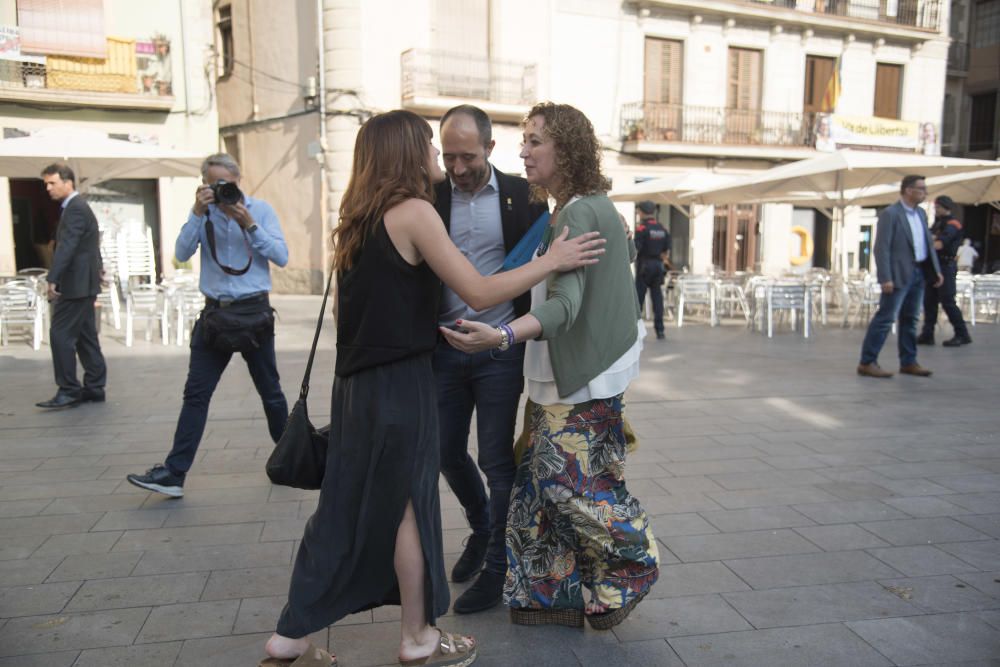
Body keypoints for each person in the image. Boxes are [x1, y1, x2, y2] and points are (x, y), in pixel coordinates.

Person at [261, 109, 604, 667]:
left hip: (354, 386)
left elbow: (353, 316)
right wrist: (553, 261)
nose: (437, 156)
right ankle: (417, 638)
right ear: (404, 152)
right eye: (427, 144)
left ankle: (290, 638)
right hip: (401, 383)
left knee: (344, 505)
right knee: (411, 508)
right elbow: (477, 286)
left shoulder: (356, 218)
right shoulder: (416, 212)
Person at [442, 102, 659, 630]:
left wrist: (500, 335)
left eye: (535, 140)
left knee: (574, 490)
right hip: (562, 377)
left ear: (566, 147)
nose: (524, 150)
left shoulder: (580, 212)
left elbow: (563, 308)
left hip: (578, 379)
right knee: (536, 493)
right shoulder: (576, 208)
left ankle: (635, 565)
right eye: (525, 140)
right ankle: (550, 595)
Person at [433, 105, 548, 614]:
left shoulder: (523, 197)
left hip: (500, 348)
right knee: (443, 450)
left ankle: (499, 567)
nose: (457, 168)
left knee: (497, 461)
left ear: (490, 149)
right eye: (448, 157)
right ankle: (482, 527)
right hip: (442, 348)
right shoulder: (430, 196)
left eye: (468, 157)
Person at [126, 153, 289, 498]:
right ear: (204, 185)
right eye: (212, 184)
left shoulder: (260, 210)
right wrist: (197, 212)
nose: (219, 190)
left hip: (253, 315)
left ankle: (293, 458)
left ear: (237, 179)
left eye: (224, 184)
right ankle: (174, 474)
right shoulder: (204, 214)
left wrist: (248, 224)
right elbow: (181, 254)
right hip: (215, 316)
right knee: (196, 395)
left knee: (270, 392)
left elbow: (281, 257)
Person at [35, 163, 107, 409]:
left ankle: (68, 390)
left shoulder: (75, 208)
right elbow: (91, 244)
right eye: (46, 183)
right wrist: (98, 268)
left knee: (60, 335)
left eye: (52, 183)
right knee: (85, 336)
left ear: (68, 183)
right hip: (83, 282)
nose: (48, 188)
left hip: (75, 284)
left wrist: (53, 277)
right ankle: (95, 387)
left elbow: (69, 245)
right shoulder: (77, 208)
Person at [857, 175, 943, 379]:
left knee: (911, 319)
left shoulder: (921, 214)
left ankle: (909, 361)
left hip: (919, 272)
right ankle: (867, 361)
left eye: (925, 188)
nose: (924, 192)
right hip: (897, 274)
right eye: (921, 188)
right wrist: (885, 277)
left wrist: (935, 270)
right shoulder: (891, 214)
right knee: (886, 318)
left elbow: (927, 246)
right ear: (907, 190)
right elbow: (882, 248)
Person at [918, 195, 971, 347]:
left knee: (948, 301)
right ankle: (927, 334)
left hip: (946, 266)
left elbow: (939, 244)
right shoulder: (938, 223)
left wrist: (931, 240)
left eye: (938, 207)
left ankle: (962, 334)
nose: (936, 210)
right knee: (930, 301)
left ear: (945, 207)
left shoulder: (953, 224)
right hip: (934, 267)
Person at [633, 200, 671, 340]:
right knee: (657, 298)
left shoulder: (642, 229)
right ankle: (660, 330)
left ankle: (635, 330)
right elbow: (666, 250)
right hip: (658, 266)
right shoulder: (662, 229)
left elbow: (636, 249)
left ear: (642, 212)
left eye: (638, 211)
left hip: (644, 265)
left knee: (638, 300)